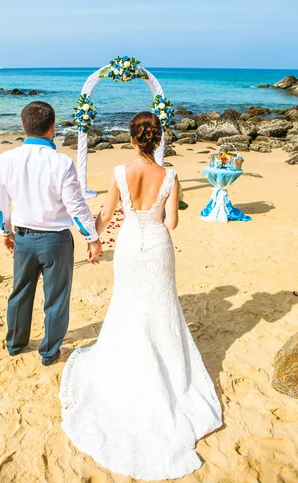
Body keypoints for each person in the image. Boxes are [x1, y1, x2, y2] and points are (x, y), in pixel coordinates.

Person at [60, 112, 222, 481]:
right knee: (161, 307)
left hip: (131, 246)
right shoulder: (171, 176)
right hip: (158, 247)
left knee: (129, 306)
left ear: (133, 140)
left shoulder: (120, 172)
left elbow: (106, 212)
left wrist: (93, 239)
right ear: (157, 140)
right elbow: (172, 223)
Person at [0, 101, 102, 365]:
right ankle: (49, 352)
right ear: (52, 128)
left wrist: (5, 232)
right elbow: (75, 206)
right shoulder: (62, 162)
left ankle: (15, 343)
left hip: (25, 237)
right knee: (56, 298)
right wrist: (92, 237)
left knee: (20, 292)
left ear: (23, 126)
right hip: (56, 240)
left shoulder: (5, 159)